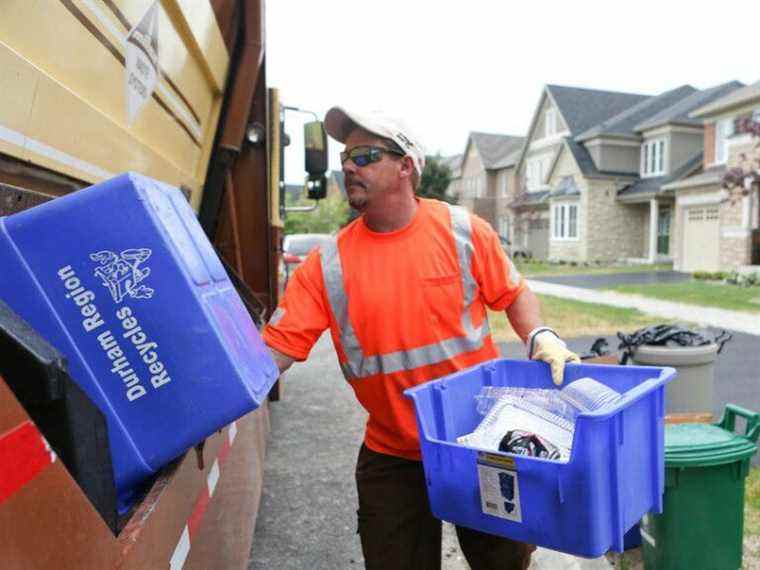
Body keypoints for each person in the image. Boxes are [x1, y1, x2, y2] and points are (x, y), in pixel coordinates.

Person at [262, 106, 580, 570]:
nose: (349, 166)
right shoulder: (326, 266)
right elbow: (275, 352)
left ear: (406, 166)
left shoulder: (462, 232)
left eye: (366, 156)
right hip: (393, 453)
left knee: (505, 565)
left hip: (479, 441)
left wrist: (540, 333)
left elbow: (513, 292)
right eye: (346, 158)